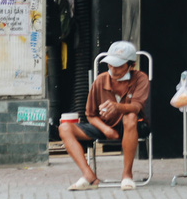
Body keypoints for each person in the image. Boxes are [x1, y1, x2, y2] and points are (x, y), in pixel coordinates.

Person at [59, 40, 150, 191]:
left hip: (132, 125)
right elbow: (90, 114)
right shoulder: (101, 80)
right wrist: (106, 129)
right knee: (64, 128)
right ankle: (89, 176)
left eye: (119, 66)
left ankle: (127, 174)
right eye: (110, 65)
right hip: (104, 125)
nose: (113, 69)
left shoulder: (140, 78)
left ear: (131, 65)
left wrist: (117, 107)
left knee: (131, 116)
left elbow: (136, 106)